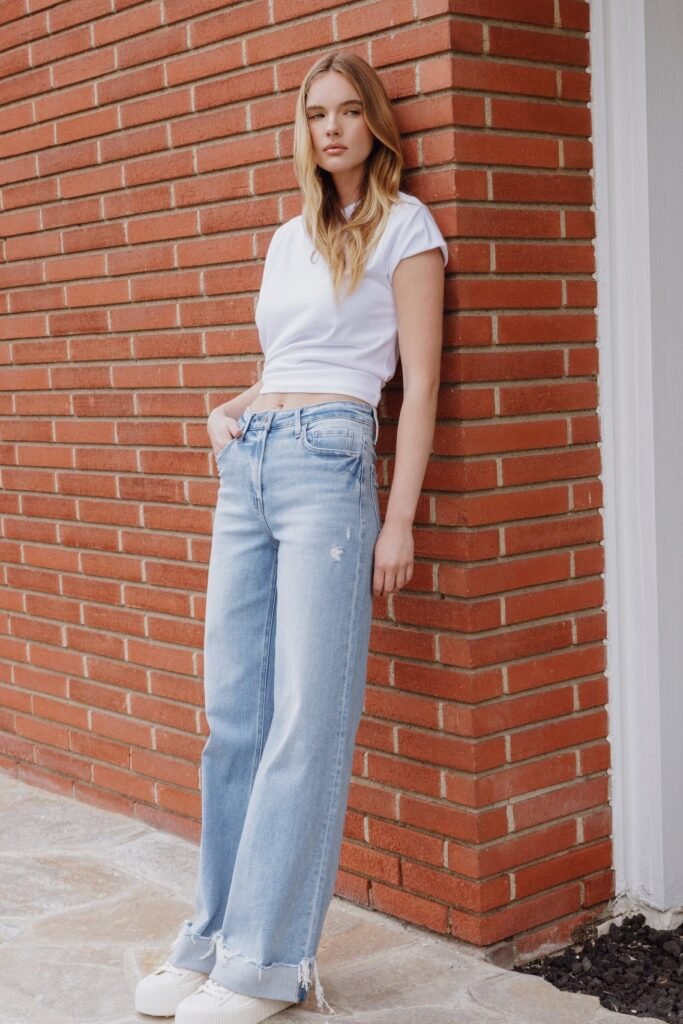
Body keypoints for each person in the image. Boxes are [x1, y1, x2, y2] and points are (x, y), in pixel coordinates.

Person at [134, 49, 447, 1024]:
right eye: (315, 113)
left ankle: (272, 962)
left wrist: (396, 517)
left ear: (374, 125)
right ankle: (213, 936)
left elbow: (418, 383)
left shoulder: (405, 226)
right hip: (255, 458)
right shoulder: (286, 237)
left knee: (307, 718)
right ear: (301, 129)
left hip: (331, 466)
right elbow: (285, 359)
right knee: (234, 715)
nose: (330, 128)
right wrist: (226, 410)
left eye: (348, 112)